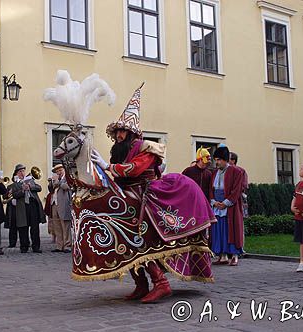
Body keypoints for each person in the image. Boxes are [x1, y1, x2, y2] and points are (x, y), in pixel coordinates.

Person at [90, 84, 215, 303]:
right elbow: (119, 174)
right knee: (125, 238)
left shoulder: (146, 147)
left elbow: (136, 169)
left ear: (131, 133)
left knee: (139, 239)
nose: (118, 135)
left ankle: (161, 283)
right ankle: (141, 284)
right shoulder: (122, 151)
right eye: (117, 131)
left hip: (148, 194)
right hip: (130, 193)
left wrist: (109, 167)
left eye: (122, 131)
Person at [210, 146, 244, 266]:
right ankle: (223, 256)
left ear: (225, 160)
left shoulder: (237, 172)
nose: (217, 162)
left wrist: (225, 203)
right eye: (216, 159)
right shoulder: (214, 173)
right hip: (217, 207)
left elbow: (236, 190)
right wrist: (214, 202)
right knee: (219, 231)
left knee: (232, 230)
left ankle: (234, 255)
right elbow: (211, 190)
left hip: (230, 208)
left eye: (219, 159)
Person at [11, 164, 46, 253]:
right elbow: (14, 195)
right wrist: (23, 190)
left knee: (35, 227)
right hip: (22, 207)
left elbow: (39, 188)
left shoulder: (30, 180)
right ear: (16, 173)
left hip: (32, 205)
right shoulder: (15, 184)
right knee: (23, 228)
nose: (22, 173)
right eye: (20, 171)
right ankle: (24, 246)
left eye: (23, 171)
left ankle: (36, 246)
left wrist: (30, 187)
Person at [48, 164, 72, 253]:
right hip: (54, 204)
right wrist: (51, 183)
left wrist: (59, 182)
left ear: (64, 170)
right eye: (57, 171)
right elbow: (51, 190)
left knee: (65, 225)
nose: (58, 172)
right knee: (57, 225)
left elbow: (67, 187)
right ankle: (59, 245)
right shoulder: (56, 180)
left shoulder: (68, 178)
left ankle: (67, 245)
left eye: (60, 170)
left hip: (64, 204)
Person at [4, 173, 19, 248]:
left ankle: (25, 242)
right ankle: (12, 243)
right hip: (12, 208)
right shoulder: (9, 186)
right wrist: (8, 193)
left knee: (22, 226)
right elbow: (4, 196)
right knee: (12, 227)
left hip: (20, 208)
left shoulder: (21, 185)